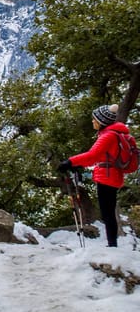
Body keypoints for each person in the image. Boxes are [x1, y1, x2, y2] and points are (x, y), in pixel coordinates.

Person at [57, 104, 129, 247]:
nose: (92, 122)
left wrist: (70, 162)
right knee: (109, 211)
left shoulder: (108, 136)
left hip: (107, 177)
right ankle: (112, 244)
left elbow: (92, 156)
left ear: (101, 121)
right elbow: (100, 157)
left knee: (107, 212)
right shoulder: (114, 134)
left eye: (94, 119)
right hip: (113, 175)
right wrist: (78, 164)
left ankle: (112, 245)